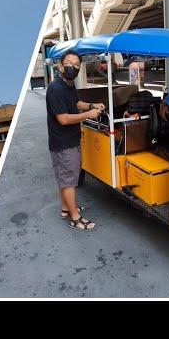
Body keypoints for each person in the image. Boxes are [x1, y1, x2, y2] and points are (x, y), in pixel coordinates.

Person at [46, 50, 104, 231]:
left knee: (66, 178)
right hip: (63, 143)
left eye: (77, 65)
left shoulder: (68, 86)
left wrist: (91, 105)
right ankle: (75, 217)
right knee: (69, 181)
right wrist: (89, 115)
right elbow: (63, 119)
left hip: (70, 139)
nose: (73, 67)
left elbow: (76, 103)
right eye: (69, 64)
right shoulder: (55, 89)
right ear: (61, 66)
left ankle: (66, 209)